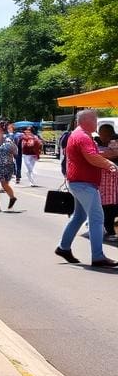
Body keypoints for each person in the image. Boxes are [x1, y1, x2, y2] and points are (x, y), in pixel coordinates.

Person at [56, 109, 118, 268]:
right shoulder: (82, 136)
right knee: (97, 217)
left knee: (79, 216)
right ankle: (98, 257)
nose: (97, 123)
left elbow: (91, 156)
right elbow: (91, 156)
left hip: (79, 182)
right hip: (83, 183)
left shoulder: (79, 134)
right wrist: (109, 164)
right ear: (87, 121)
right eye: (95, 120)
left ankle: (63, 247)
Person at [97, 124, 118, 241]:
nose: (101, 136)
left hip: (112, 180)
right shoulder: (100, 142)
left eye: (103, 133)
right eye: (100, 133)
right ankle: (107, 230)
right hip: (106, 181)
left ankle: (109, 230)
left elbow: (112, 154)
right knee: (107, 205)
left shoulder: (114, 141)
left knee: (109, 206)